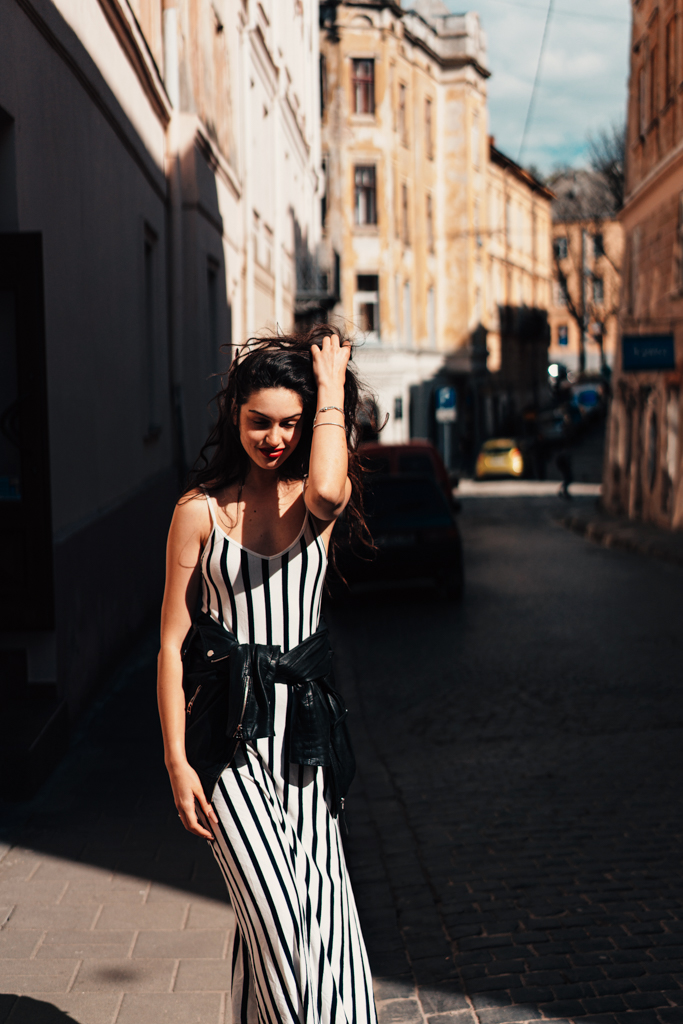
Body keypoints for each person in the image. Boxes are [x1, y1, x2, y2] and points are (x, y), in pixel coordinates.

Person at [157, 326, 378, 1024]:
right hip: (227, 745)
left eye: (291, 422)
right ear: (234, 416)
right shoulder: (196, 514)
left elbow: (333, 489)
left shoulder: (312, 505)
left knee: (323, 924)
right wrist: (175, 762)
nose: (274, 437)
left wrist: (332, 385)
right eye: (260, 422)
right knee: (279, 929)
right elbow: (169, 645)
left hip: (307, 748)